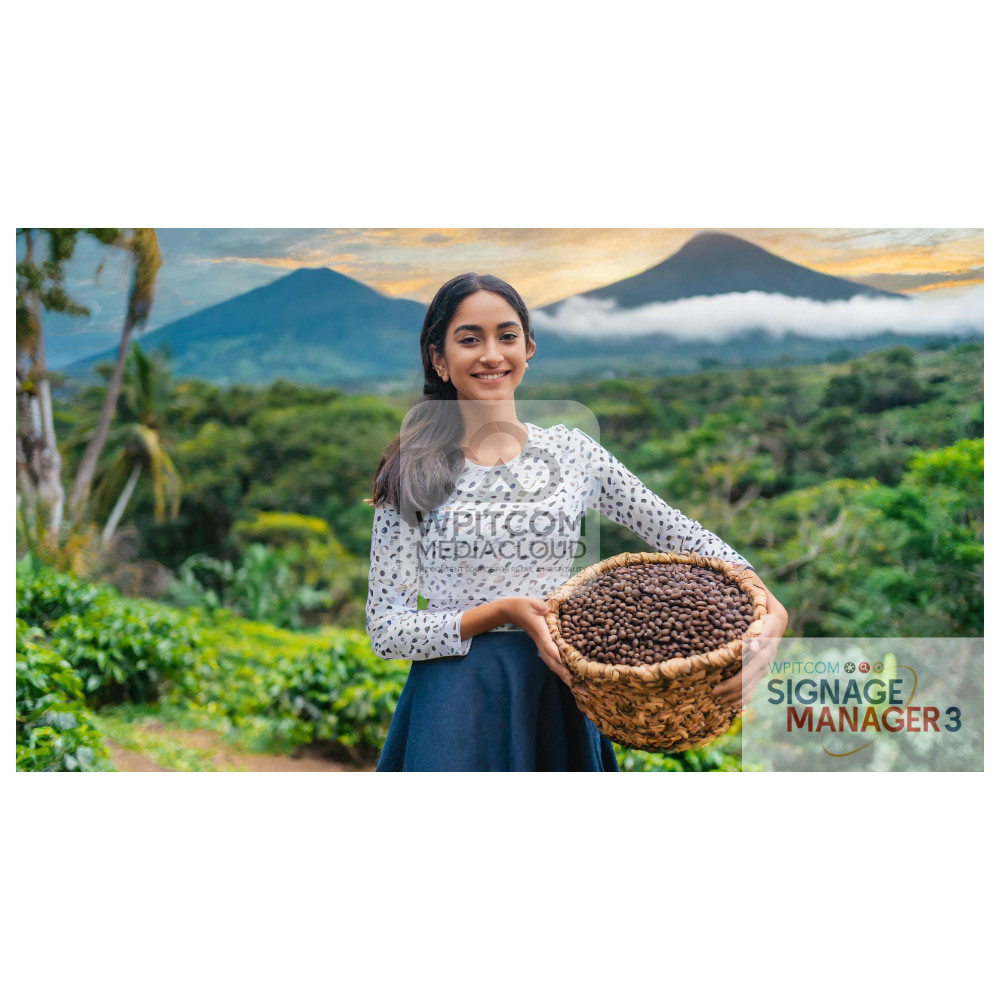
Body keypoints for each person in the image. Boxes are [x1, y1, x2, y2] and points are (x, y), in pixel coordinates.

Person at [365, 272, 788, 771]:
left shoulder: (571, 452)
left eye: (506, 336)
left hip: (560, 688)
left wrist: (772, 609)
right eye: (469, 339)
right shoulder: (412, 470)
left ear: (529, 348)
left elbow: (677, 531)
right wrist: (501, 611)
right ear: (439, 358)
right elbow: (387, 629)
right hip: (457, 699)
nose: (491, 354)